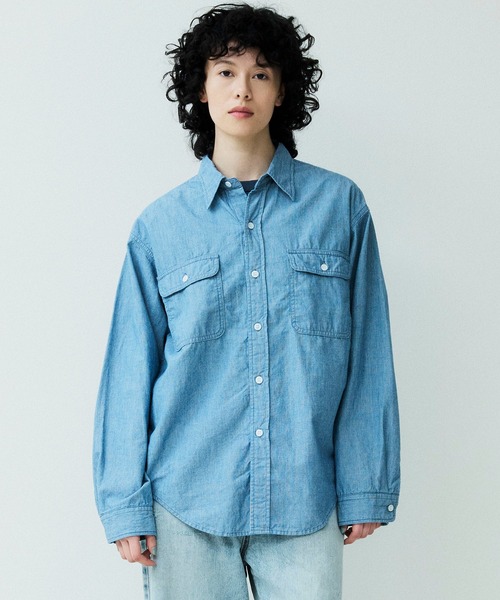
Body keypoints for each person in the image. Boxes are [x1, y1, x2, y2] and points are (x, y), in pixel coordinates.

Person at [92, 3, 400, 598]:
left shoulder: (340, 208)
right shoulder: (160, 227)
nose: (243, 89)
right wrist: (125, 502)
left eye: (261, 73)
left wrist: (366, 482)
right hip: (184, 503)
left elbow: (369, 354)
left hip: (306, 497)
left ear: (282, 91)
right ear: (201, 89)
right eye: (226, 72)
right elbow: (129, 370)